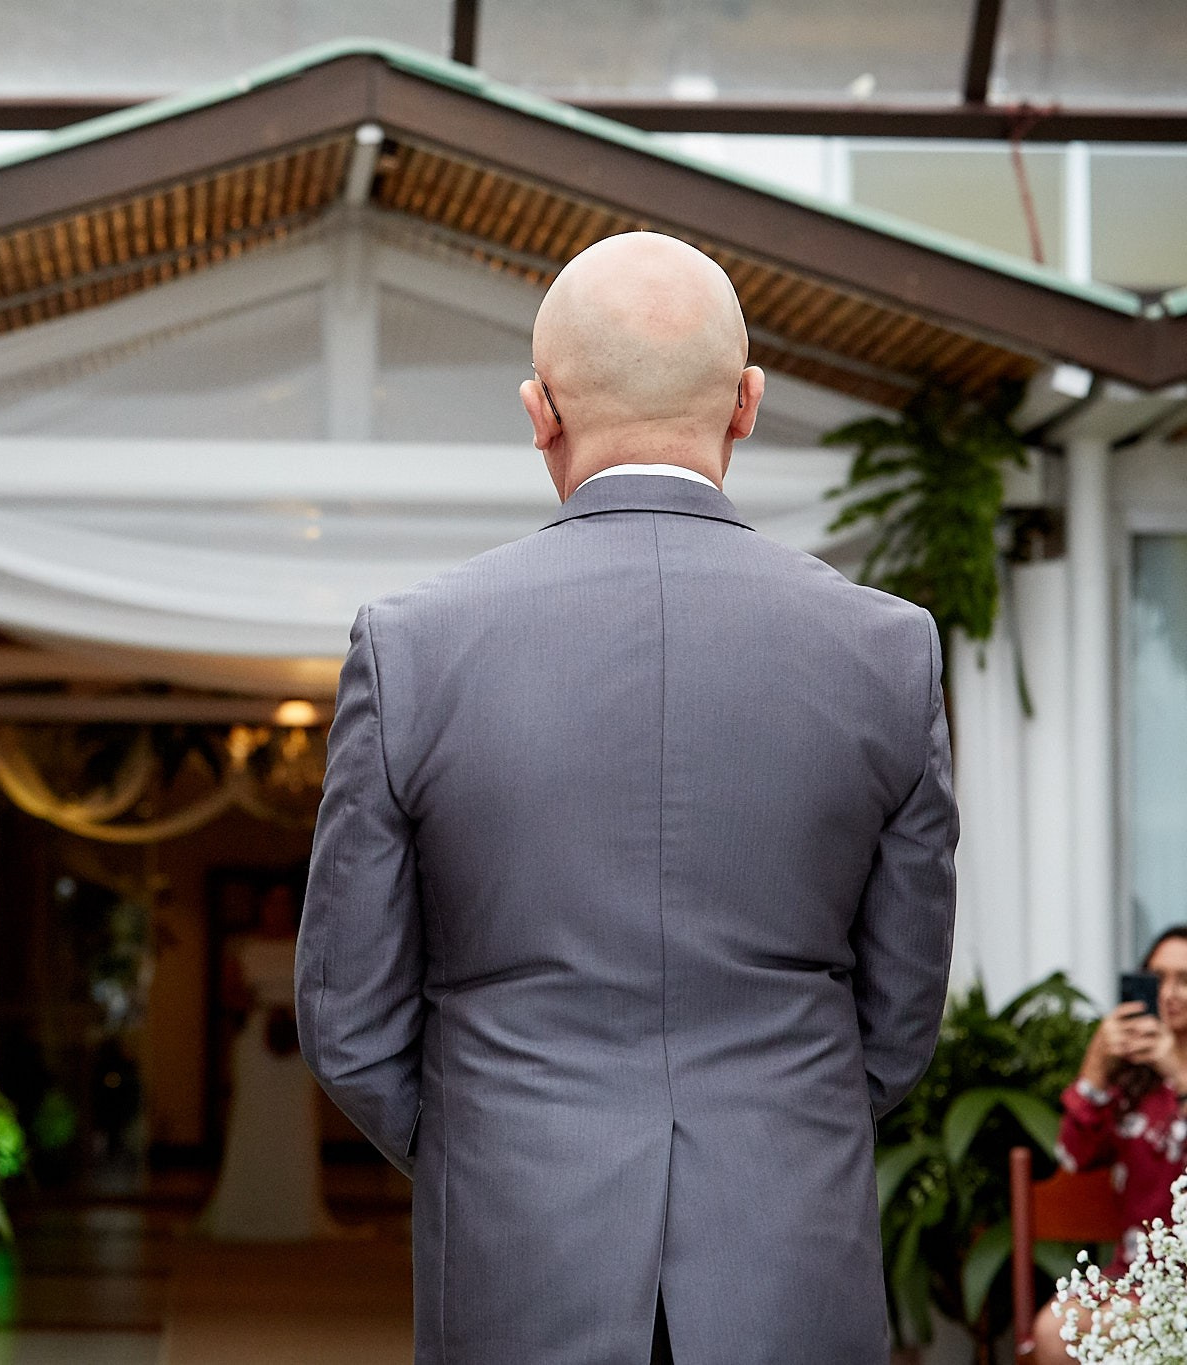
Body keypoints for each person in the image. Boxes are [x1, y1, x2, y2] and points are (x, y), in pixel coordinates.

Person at [296, 230, 958, 1365]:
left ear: (537, 409)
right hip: (789, 1244)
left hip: (514, 1247)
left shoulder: (413, 647)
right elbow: (898, 1020)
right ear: (746, 404)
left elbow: (348, 1021)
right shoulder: (883, 650)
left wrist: (492, 1146)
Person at [1030, 926, 1187, 1364]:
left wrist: (1179, 1072)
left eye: (1185, 979)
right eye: (1158, 979)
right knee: (1053, 1328)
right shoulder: (1133, 1084)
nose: (1171, 993)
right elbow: (1072, 1157)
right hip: (1134, 1283)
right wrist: (1097, 1065)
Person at [199, 883, 335, 1241]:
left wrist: (294, 1018)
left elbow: (322, 991)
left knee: (294, 1120)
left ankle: (294, 1209)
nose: (278, 909)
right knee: (254, 1118)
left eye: (284, 903)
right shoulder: (244, 947)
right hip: (258, 1038)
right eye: (272, 902)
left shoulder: (305, 943)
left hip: (296, 1040)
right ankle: (247, 1205)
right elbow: (229, 994)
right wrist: (264, 1010)